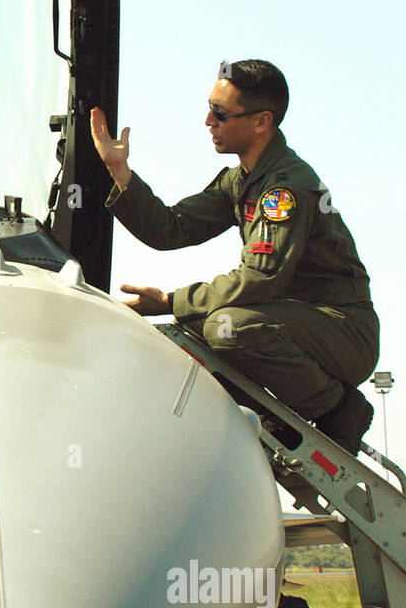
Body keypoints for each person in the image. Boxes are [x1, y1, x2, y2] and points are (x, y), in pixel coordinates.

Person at [90, 60, 380, 453]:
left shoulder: (284, 186)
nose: (208, 121)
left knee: (227, 327)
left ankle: (339, 409)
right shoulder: (241, 180)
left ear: (262, 122)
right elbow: (171, 227)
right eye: (211, 108)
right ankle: (262, 418)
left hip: (343, 330)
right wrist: (119, 171)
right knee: (195, 328)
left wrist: (171, 300)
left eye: (221, 113)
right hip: (295, 321)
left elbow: (261, 277)